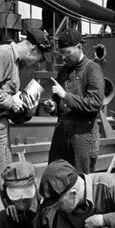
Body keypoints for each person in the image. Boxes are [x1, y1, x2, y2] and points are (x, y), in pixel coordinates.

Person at [0, 29, 52, 228]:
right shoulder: (4, 54)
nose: (37, 64)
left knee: (6, 186)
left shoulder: (12, 61)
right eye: (39, 59)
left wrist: (25, 105)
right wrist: (10, 102)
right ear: (33, 49)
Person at [44, 28, 105, 173]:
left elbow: (95, 103)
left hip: (83, 136)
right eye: (61, 54)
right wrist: (53, 107)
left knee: (80, 182)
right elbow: (59, 102)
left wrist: (65, 96)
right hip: (62, 133)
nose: (63, 58)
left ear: (79, 47)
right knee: (54, 174)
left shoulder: (92, 69)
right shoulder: (63, 71)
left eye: (67, 53)